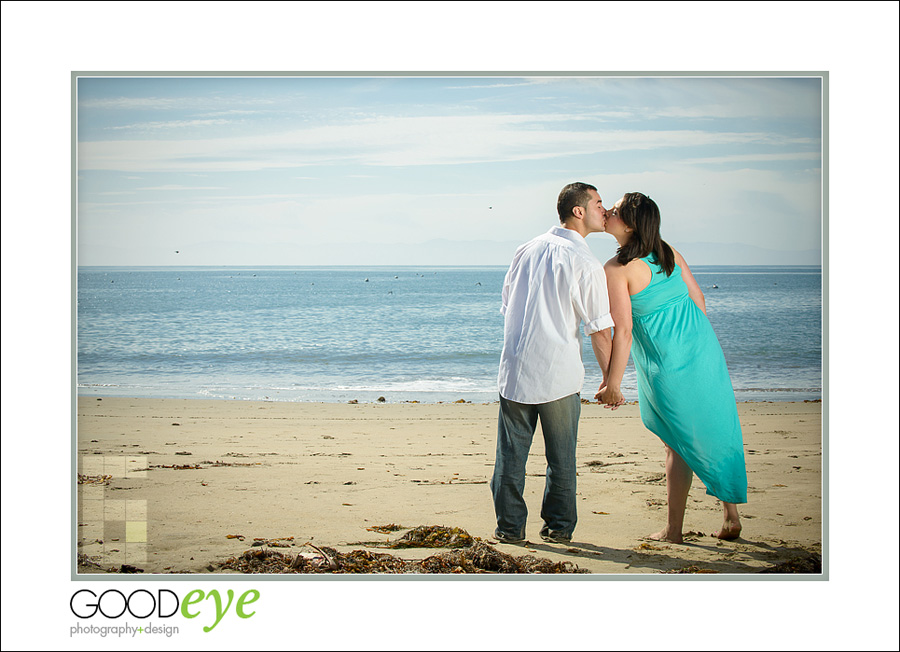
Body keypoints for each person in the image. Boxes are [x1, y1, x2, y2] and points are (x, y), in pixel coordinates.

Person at [596, 192, 747, 543]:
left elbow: (625, 330)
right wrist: (698, 344)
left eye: (615, 210)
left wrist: (614, 383)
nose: (608, 212)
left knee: (676, 444)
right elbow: (699, 299)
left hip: (666, 363)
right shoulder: (667, 252)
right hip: (703, 349)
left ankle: (674, 531)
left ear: (630, 225)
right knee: (717, 427)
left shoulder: (617, 269)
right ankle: (731, 516)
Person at [491, 182, 614, 544]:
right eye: (599, 203)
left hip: (514, 370)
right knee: (561, 461)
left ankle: (509, 530)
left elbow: (507, 307)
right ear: (579, 211)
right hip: (556, 374)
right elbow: (599, 330)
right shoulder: (585, 262)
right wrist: (610, 382)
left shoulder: (524, 249)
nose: (604, 211)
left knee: (510, 460)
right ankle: (558, 530)